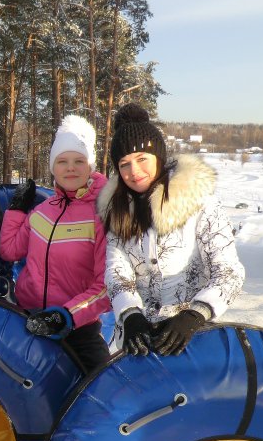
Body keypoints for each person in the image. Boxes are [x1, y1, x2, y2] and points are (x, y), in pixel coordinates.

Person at [97, 103, 245, 357]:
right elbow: (116, 270)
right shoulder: (118, 210)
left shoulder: (198, 202)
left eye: (142, 159)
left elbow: (229, 271)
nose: (134, 172)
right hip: (136, 342)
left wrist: (195, 314)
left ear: (159, 156)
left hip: (189, 339)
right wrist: (129, 313)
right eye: (124, 164)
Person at [0, 115, 112, 373]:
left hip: (78, 330)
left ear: (90, 165)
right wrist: (17, 210)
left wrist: (66, 316)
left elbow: (107, 285)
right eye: (62, 161)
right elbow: (10, 250)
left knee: (101, 392)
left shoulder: (101, 213)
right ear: (53, 167)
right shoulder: (41, 211)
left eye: (78, 161)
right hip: (29, 321)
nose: (70, 168)